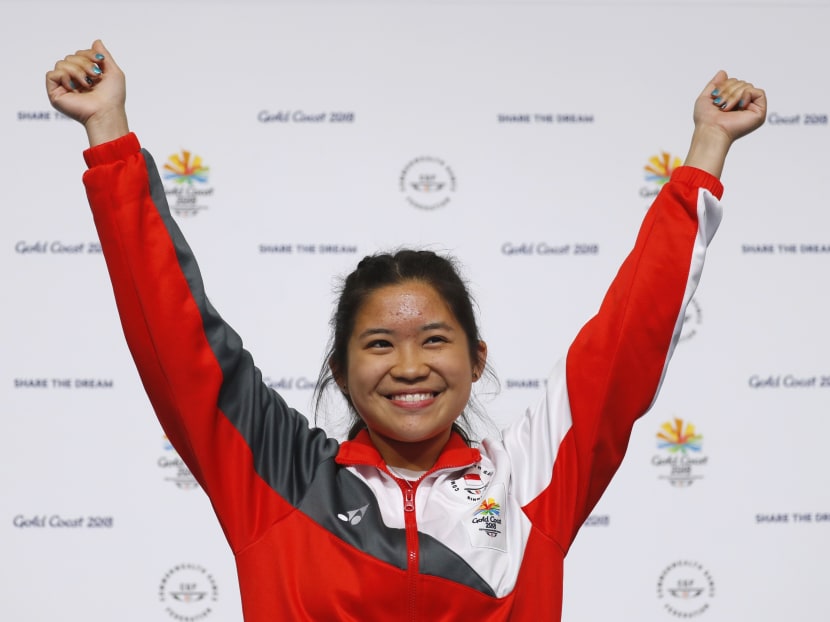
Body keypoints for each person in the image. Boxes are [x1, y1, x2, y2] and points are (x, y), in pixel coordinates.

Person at [46, 40, 766, 621]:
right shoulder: (275, 479)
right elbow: (177, 336)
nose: (410, 366)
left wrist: (706, 150)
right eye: (380, 344)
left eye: (434, 339)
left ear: (476, 359)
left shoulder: (527, 481)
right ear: (341, 365)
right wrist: (108, 135)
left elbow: (630, 337)